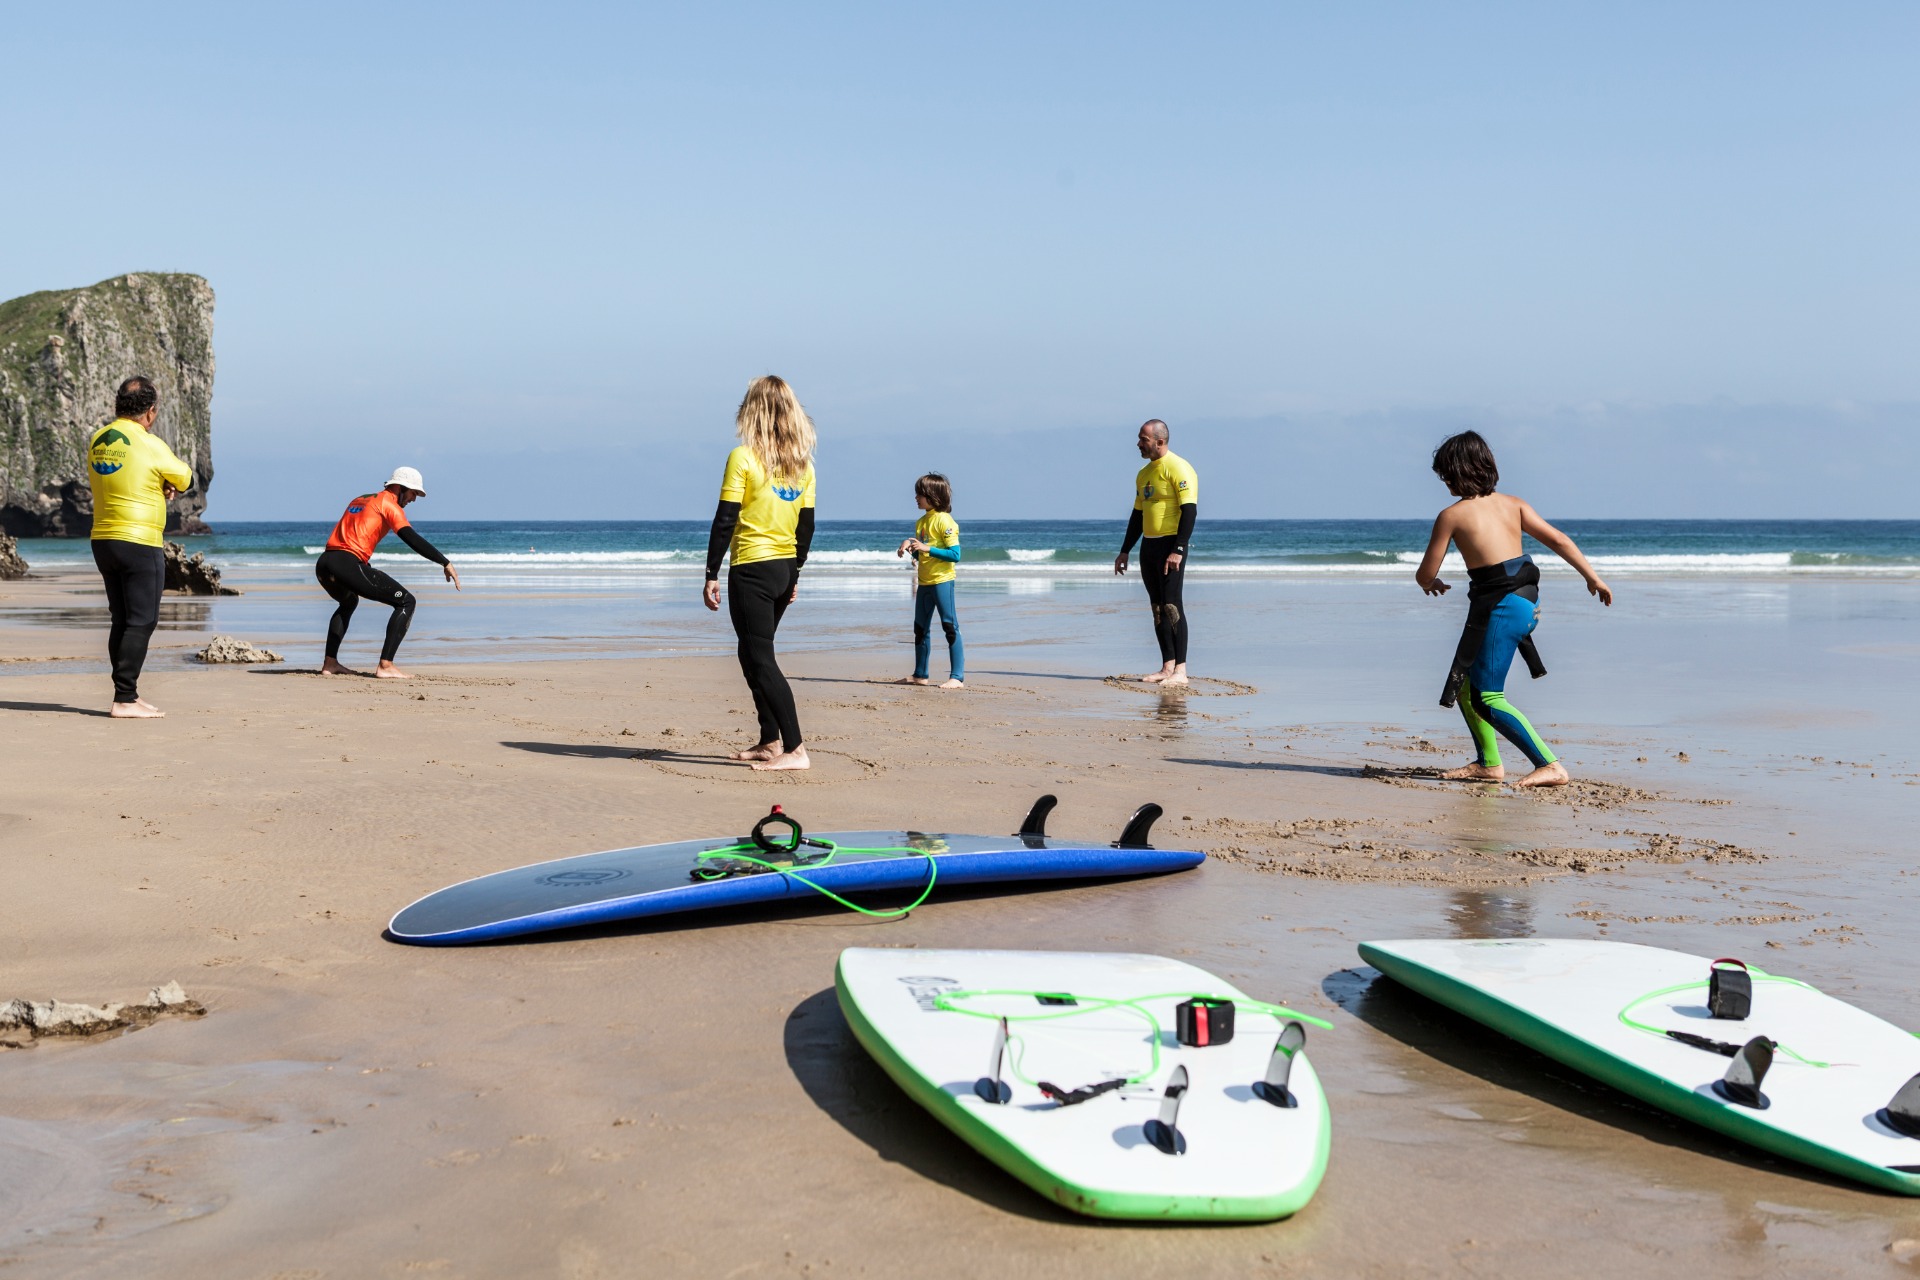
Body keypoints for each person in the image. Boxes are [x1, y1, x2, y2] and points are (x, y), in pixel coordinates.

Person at [1415, 430, 1612, 788]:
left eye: (1445, 474)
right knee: (1466, 685)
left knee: (1487, 696)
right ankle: (1489, 763)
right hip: (1525, 602)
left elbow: (1426, 572)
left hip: (1500, 607)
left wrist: (1430, 584)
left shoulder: (1452, 516)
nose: (1444, 482)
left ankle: (1549, 764)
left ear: (1458, 471)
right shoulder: (1515, 504)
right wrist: (1592, 578)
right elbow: (1559, 539)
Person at [703, 376, 816, 771]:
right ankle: (770, 740)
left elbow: (725, 519)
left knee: (761, 658)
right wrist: (795, 574)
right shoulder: (802, 466)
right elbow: (806, 529)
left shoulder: (743, 457)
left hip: (752, 569)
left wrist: (710, 571)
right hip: (783, 570)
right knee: (750, 651)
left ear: (752, 410)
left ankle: (796, 748)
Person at [86, 376, 194, 718]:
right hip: (138, 540)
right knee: (142, 620)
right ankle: (125, 699)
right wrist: (167, 481)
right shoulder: (149, 443)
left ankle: (126, 694)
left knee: (122, 619)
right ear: (150, 412)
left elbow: (122, 476)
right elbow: (186, 477)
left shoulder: (98, 439)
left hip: (103, 539)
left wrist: (156, 482)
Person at [315, 467, 459, 679]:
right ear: (401, 488)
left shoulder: (360, 499)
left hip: (325, 563)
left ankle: (330, 663)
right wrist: (444, 562)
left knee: (348, 602)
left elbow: (353, 534)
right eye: (413, 493)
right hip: (346, 563)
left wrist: (360, 568)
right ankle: (386, 665)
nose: (414, 499)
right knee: (406, 602)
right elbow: (410, 537)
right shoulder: (389, 505)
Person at [1111, 419, 1197, 686]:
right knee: (1158, 608)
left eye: (1143, 439)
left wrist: (1178, 549)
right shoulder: (1144, 474)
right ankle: (1166, 666)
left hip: (1171, 545)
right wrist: (1125, 550)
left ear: (1160, 441)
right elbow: (1138, 515)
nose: (1139, 444)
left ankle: (1180, 672)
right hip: (1149, 546)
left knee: (1172, 605)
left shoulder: (1179, 467)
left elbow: (1190, 510)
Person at [894, 472, 964, 689]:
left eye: (920, 493)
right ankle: (920, 675)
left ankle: (957, 677)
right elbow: (922, 553)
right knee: (920, 628)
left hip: (942, 581)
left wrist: (926, 548)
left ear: (932, 496)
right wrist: (910, 547)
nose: (916, 497)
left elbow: (955, 554)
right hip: (924, 582)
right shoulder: (921, 522)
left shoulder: (945, 520)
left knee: (949, 626)